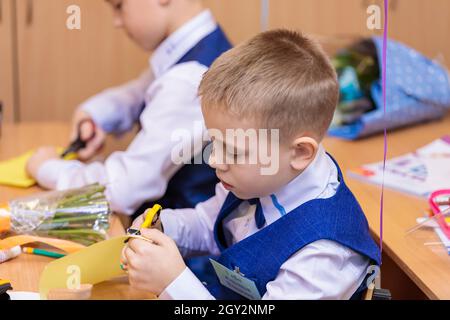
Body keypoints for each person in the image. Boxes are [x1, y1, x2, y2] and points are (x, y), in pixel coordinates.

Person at [122, 29, 381, 300]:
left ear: (301, 152)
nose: (213, 160)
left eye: (233, 151)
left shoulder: (323, 255)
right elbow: (209, 223)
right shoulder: (259, 173)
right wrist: (165, 227)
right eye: (214, 142)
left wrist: (172, 283)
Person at [26, 0, 232, 216]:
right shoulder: (197, 51)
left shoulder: (188, 78)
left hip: (173, 239)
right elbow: (139, 93)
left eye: (119, 6)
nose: (116, 22)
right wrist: (94, 115)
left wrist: (47, 168)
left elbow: (122, 189)